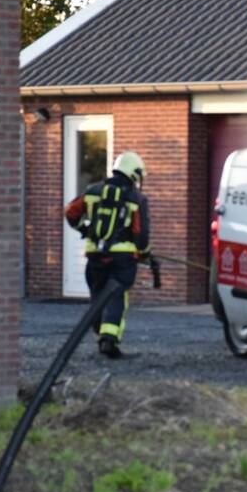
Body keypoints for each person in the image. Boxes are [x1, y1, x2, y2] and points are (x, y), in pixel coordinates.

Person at [64, 151, 154, 358]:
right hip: (122, 259)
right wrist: (145, 253)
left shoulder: (93, 191)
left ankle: (101, 333)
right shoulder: (136, 198)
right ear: (133, 173)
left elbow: (70, 212)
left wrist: (84, 230)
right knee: (117, 296)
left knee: (97, 296)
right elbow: (141, 234)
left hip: (95, 254)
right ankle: (109, 339)